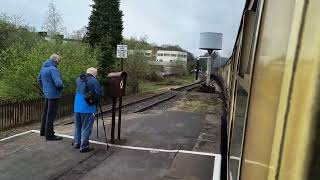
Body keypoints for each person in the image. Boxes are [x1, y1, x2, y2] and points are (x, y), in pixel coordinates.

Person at [74, 67, 103, 153]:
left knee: (78, 126)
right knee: (86, 127)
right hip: (87, 107)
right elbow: (99, 94)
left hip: (77, 106)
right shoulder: (94, 81)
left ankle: (77, 143)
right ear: (94, 74)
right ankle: (84, 146)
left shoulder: (78, 79)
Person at [37, 54, 64, 140]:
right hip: (54, 95)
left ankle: (43, 132)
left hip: (47, 93)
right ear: (56, 61)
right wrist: (60, 89)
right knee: (51, 115)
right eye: (58, 61)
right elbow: (59, 83)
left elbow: (39, 80)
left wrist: (45, 88)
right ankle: (50, 135)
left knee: (46, 113)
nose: (58, 63)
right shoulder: (53, 69)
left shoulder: (43, 68)